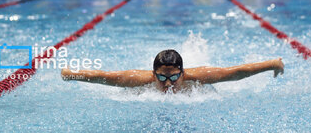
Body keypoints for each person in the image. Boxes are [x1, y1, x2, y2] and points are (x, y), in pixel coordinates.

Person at [61, 49, 284, 93]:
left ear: (183, 73)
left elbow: (234, 72)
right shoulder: (139, 80)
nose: (168, 84)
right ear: (153, 73)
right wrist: (72, 74)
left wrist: (272, 64)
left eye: (174, 77)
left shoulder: (198, 77)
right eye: (161, 77)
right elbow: (103, 77)